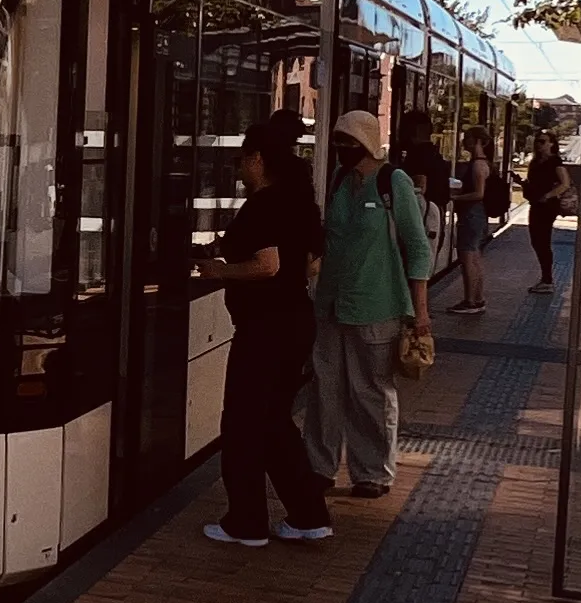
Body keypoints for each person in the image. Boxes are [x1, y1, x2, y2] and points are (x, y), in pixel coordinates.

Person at [196, 115, 332, 550]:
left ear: (257, 158)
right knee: (273, 422)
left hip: (264, 329)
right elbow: (309, 263)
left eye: (241, 161)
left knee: (241, 424)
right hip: (294, 322)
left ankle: (246, 521)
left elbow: (267, 264)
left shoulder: (264, 204)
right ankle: (308, 514)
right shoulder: (299, 202)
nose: (238, 169)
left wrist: (222, 269)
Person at [302, 110, 433, 496]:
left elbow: (418, 248)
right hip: (331, 304)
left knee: (370, 391)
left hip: (378, 305)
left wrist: (420, 311)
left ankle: (373, 472)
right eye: (338, 141)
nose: (341, 148)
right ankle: (319, 467)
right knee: (324, 389)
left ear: (366, 142)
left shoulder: (395, 183)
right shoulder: (341, 180)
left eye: (348, 141)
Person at [447, 134, 512, 313]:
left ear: (477, 141)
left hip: (471, 215)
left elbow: (479, 193)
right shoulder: (486, 164)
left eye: (467, 139)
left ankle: (470, 301)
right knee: (475, 257)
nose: (463, 142)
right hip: (478, 216)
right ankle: (478, 298)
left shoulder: (477, 165)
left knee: (467, 257)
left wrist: (455, 197)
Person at [523, 123, 571, 292]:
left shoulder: (554, 161)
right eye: (537, 141)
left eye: (543, 141)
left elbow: (565, 183)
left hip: (547, 206)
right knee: (536, 241)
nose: (539, 145)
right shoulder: (535, 162)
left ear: (551, 144)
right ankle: (545, 278)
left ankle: (547, 279)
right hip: (535, 203)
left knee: (542, 241)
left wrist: (548, 195)